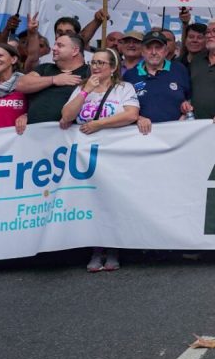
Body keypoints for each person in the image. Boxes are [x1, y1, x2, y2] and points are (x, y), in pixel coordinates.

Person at [61, 47, 140, 273]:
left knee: (112, 200)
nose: (95, 67)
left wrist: (99, 124)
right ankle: (97, 248)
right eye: (93, 62)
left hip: (115, 153)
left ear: (113, 68)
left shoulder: (123, 88)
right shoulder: (81, 88)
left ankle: (114, 247)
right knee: (91, 200)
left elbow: (131, 114)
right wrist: (86, 91)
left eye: (101, 63)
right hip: (87, 156)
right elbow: (66, 116)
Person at [124, 31, 192, 134]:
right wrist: (138, 118)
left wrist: (186, 108)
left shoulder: (179, 69)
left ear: (166, 51)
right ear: (142, 51)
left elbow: (189, 98)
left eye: (158, 47)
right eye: (149, 48)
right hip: (140, 135)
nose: (154, 52)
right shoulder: (130, 75)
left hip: (176, 134)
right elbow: (122, 107)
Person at [16, 34, 91, 124]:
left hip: (68, 134)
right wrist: (53, 80)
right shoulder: (45, 68)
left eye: (60, 45)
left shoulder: (89, 72)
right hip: (33, 132)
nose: (54, 48)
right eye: (55, 45)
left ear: (75, 51)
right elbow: (20, 84)